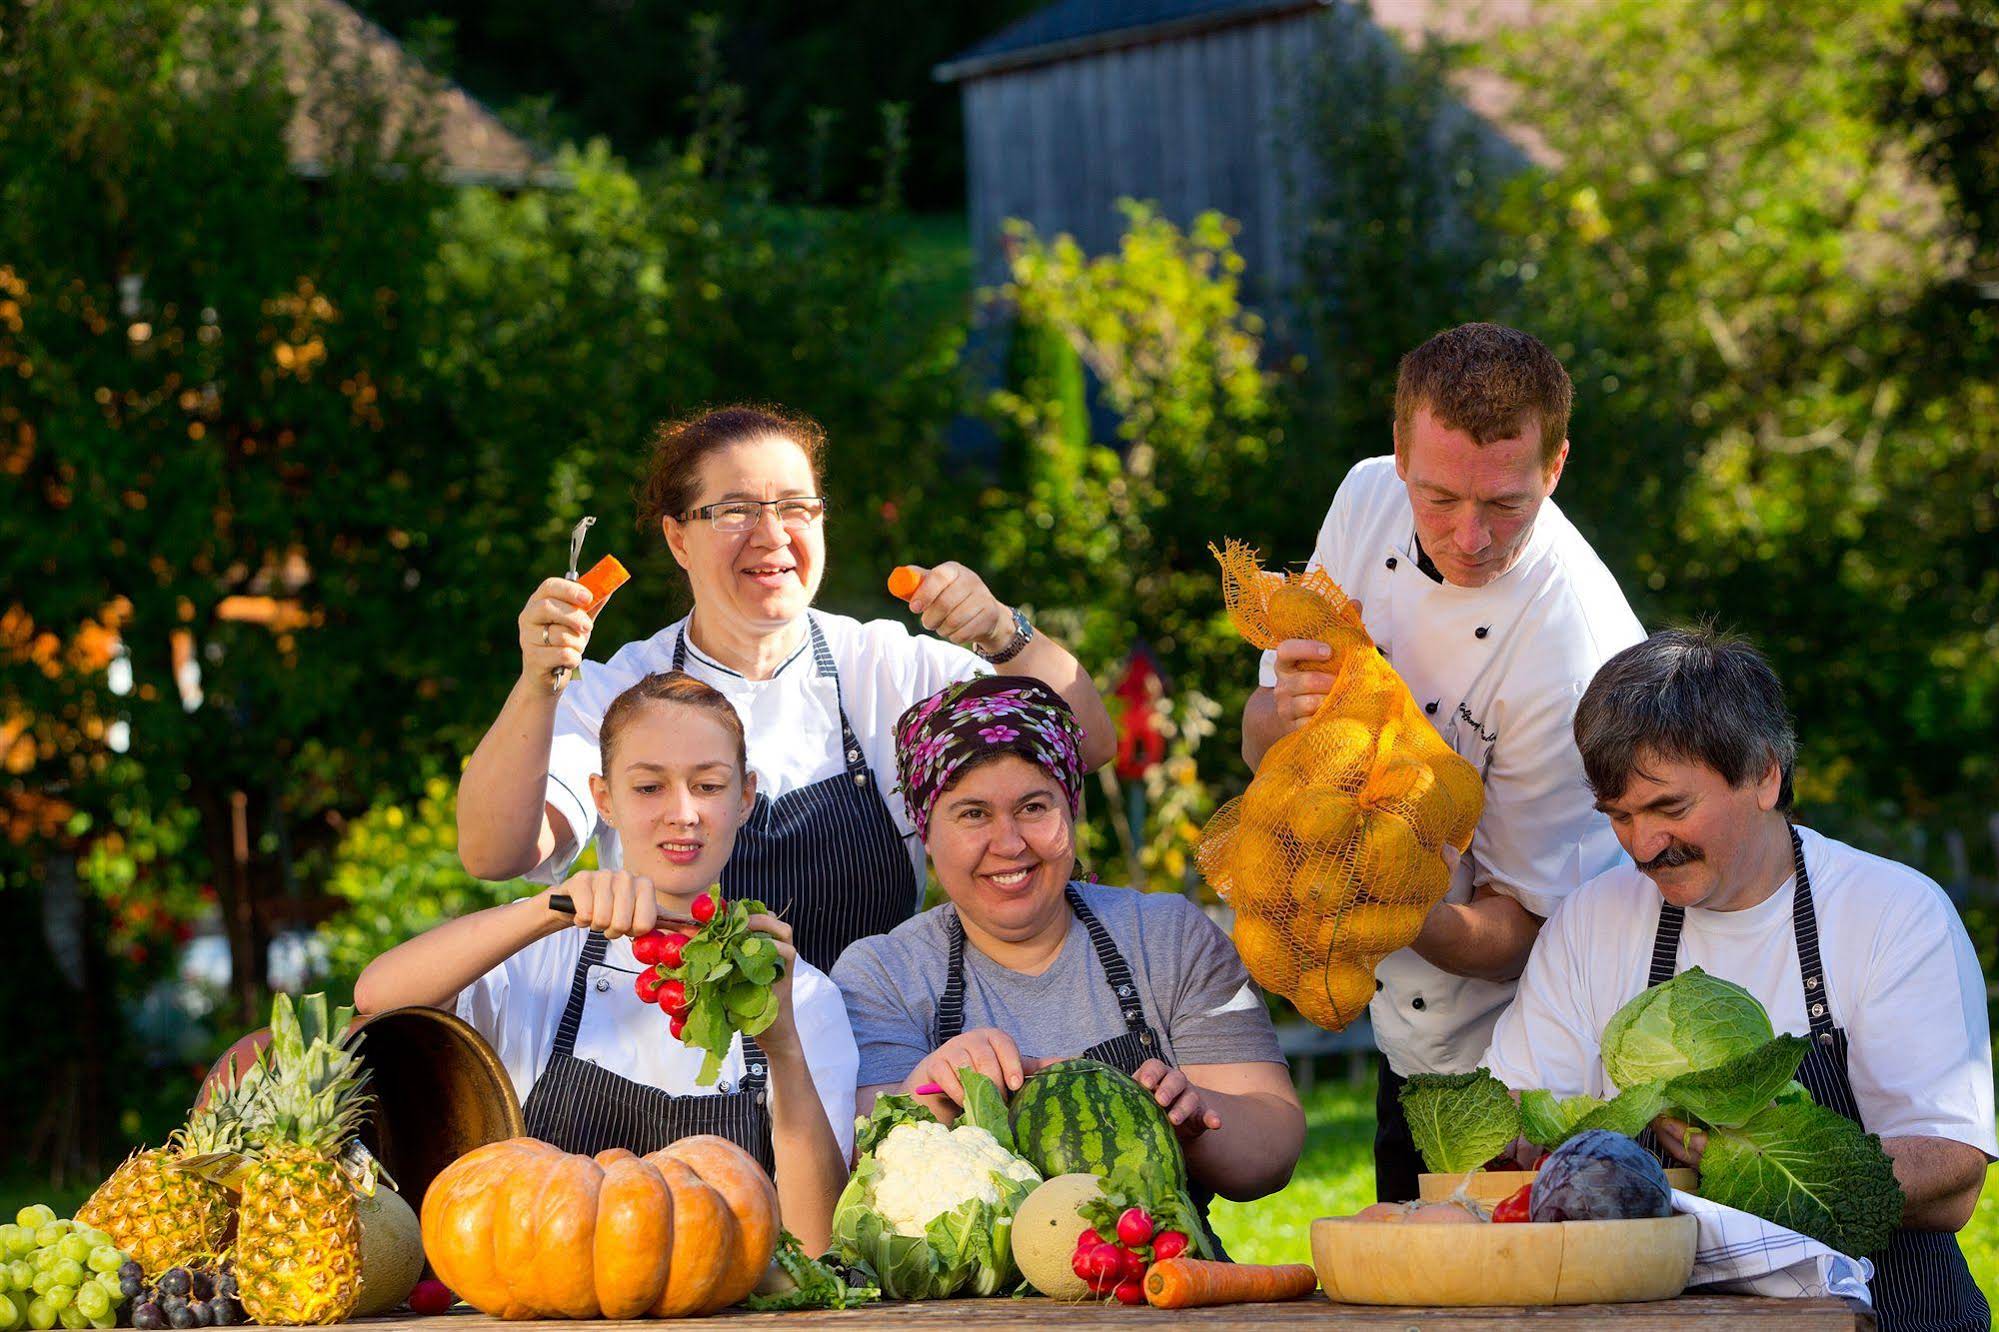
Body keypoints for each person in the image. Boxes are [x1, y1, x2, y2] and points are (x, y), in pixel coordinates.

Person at [454, 403, 1115, 972]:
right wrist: (538, 684)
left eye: (796, 508)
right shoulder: (617, 691)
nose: (772, 536)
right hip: (671, 1059)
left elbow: (1081, 742)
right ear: (678, 538)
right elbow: (495, 852)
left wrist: (1004, 632)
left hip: (874, 1064)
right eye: (736, 511)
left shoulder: (888, 667)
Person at [1238, 322, 1645, 1201]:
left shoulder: (1578, 657)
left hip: (1526, 1069)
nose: (1468, 537)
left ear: (1556, 466)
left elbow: (1522, 935)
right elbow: (1258, 731)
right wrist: (1281, 718)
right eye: (1438, 498)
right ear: (1396, 458)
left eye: (1506, 504)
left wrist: (1390, 899)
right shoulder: (1362, 498)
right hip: (1399, 1049)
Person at [1484, 629, 1992, 1331]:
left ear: (1764, 774)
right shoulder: (1590, 920)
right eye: (1619, 817)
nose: (1641, 846)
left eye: (1668, 809)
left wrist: (1738, 1164)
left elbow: (1949, 1170)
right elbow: (1516, 1108)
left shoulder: (1892, 913)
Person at [356, 672, 855, 1253]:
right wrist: (548, 908)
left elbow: (819, 1246)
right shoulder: (541, 952)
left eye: (709, 786)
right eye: (649, 787)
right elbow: (376, 998)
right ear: (603, 799)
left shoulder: (800, 993)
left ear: (744, 797)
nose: (684, 813)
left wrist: (785, 1048)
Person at [833, 675, 1305, 1244]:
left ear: (1072, 808)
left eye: (1034, 807)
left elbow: (1271, 1156)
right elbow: (857, 1180)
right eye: (973, 814)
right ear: (926, 833)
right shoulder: (882, 974)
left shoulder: (1167, 937)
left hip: (1157, 1285)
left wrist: (1192, 1119)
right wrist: (928, 1094)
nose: (1009, 843)